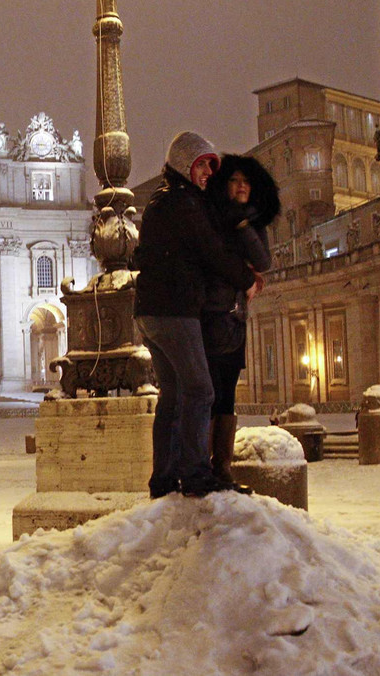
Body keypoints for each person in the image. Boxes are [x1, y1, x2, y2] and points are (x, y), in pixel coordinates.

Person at [130, 131, 256, 498]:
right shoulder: (181, 202)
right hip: (173, 310)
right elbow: (211, 250)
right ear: (185, 164)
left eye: (210, 167)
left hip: (151, 311)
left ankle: (164, 479)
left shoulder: (164, 200)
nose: (207, 173)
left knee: (173, 393)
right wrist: (245, 278)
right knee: (201, 390)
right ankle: (196, 474)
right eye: (202, 165)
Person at [203, 155, 279, 491]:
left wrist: (244, 226)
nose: (242, 186)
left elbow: (263, 260)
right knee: (211, 391)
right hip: (212, 314)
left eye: (246, 181)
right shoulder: (213, 218)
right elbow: (215, 261)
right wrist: (244, 274)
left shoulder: (251, 223)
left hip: (236, 317)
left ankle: (221, 467)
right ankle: (202, 465)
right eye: (235, 180)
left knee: (228, 393)